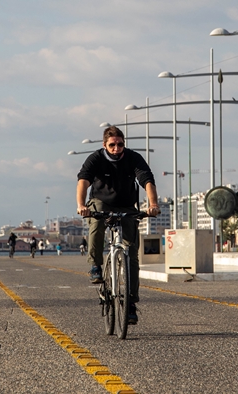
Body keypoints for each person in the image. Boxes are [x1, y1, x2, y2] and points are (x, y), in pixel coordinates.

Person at [77, 125, 160, 325]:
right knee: (96, 224)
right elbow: (83, 181)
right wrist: (81, 205)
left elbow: (147, 180)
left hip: (126, 205)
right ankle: (96, 266)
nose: (116, 149)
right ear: (105, 145)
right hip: (101, 203)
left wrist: (153, 204)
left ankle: (130, 303)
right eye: (112, 145)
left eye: (120, 144)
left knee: (131, 254)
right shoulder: (95, 158)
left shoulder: (133, 158)